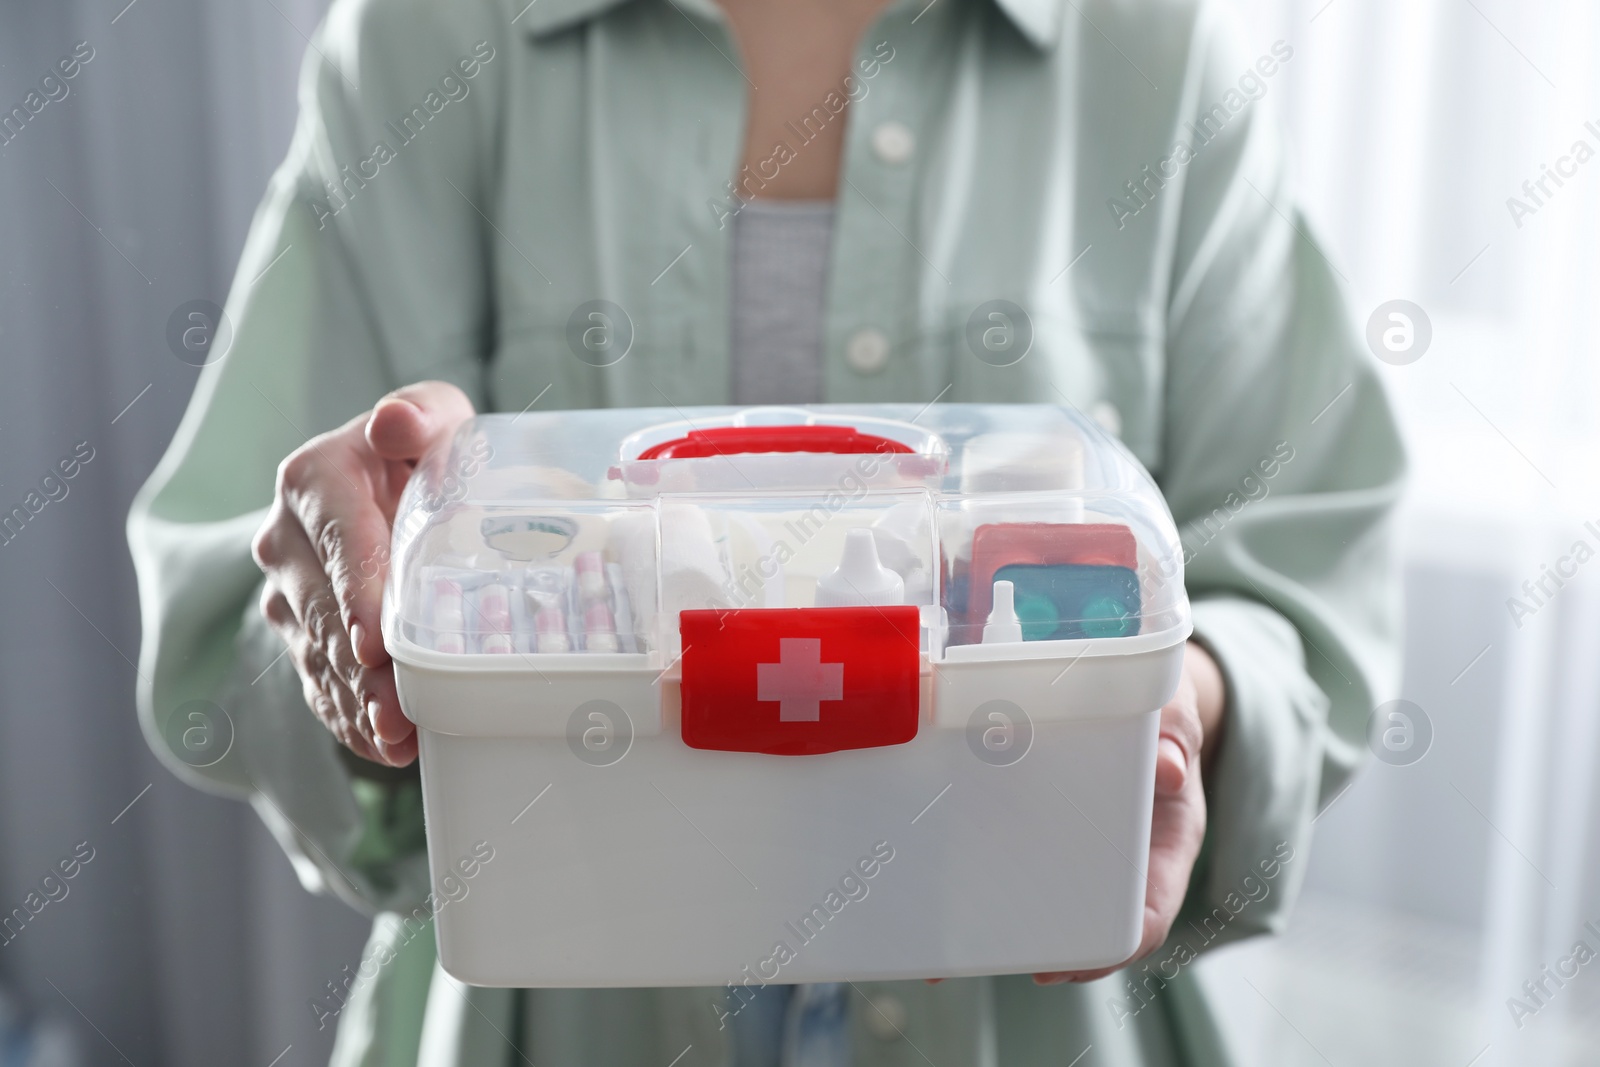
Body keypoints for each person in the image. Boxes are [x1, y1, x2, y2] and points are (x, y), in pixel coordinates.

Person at [126, 0, 1405, 1062]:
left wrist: (1183, 697)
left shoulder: (1151, 50)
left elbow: (1310, 569)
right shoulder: (433, 35)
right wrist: (349, 609)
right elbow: (223, 606)